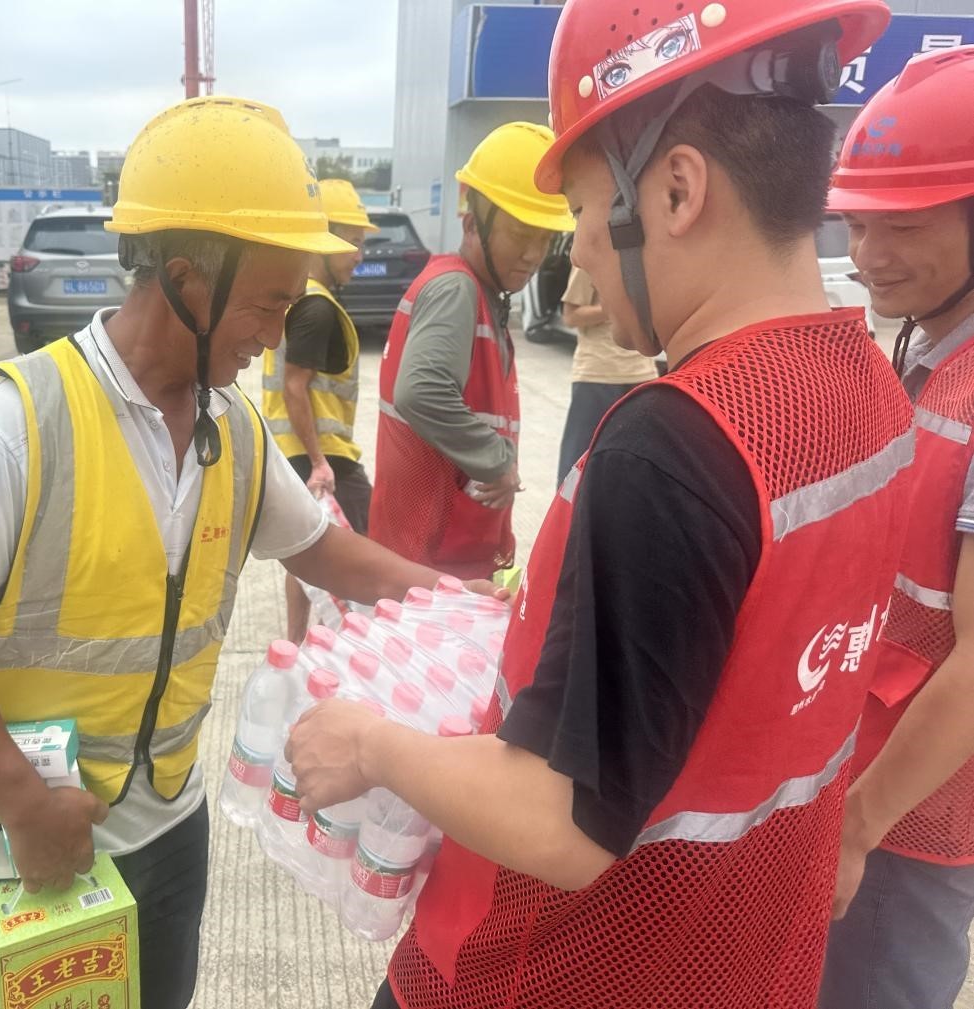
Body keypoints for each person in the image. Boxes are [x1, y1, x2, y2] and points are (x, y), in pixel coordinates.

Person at [286, 2, 917, 1006]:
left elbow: (565, 820)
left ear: (675, 191)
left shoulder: (675, 444)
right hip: (744, 963)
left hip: (558, 972)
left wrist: (368, 742)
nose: (575, 251)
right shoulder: (870, 389)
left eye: (581, 208)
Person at [0, 96, 484, 1009]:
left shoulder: (232, 427)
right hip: (24, 839)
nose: (275, 334)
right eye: (268, 303)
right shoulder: (18, 423)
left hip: (166, 823)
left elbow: (330, 553)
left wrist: (479, 603)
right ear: (189, 279)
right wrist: (24, 805)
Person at [819, 46, 974, 1009]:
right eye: (856, 222)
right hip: (863, 786)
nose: (869, 254)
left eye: (904, 225)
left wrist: (858, 824)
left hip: (905, 828)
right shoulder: (926, 345)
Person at [368, 123, 574, 582]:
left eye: (545, 239)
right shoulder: (456, 289)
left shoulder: (480, 292)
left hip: (447, 547)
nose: (533, 254)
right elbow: (421, 392)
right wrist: (498, 461)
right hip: (433, 555)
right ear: (470, 224)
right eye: (521, 234)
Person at [261, 177, 378, 642]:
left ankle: (297, 643)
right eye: (353, 243)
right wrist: (319, 462)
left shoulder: (301, 299)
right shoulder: (317, 308)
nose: (359, 256)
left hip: (298, 452)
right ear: (325, 240)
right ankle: (347, 650)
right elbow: (295, 387)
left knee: (306, 552)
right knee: (352, 555)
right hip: (325, 458)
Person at [556, 264, 657, 484]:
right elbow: (571, 316)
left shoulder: (651, 259)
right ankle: (570, 508)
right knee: (578, 465)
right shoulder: (589, 258)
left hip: (643, 374)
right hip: (598, 374)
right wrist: (614, 306)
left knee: (640, 466)